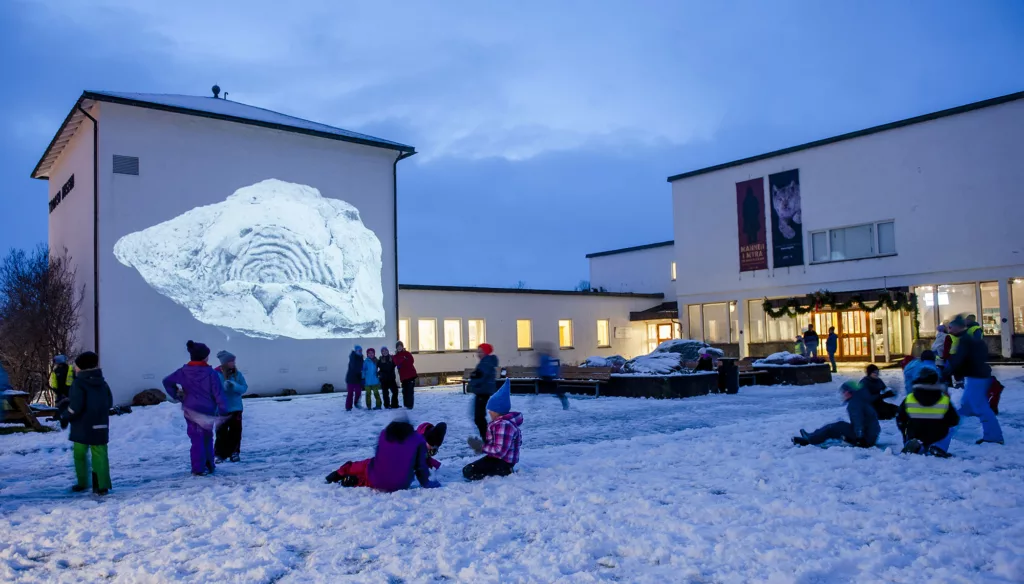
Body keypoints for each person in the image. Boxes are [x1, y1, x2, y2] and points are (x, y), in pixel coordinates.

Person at [325, 414, 441, 492]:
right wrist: (428, 481)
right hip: (401, 484)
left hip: (377, 478)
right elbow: (421, 467)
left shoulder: (385, 435)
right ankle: (356, 481)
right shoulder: (417, 440)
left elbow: (380, 456)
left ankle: (342, 474)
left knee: (368, 466)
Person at [163, 340, 229, 476]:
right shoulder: (211, 373)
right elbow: (218, 393)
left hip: (190, 410)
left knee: (196, 438)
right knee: (207, 437)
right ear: (204, 357)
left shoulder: (183, 372)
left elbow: (167, 381)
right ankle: (209, 464)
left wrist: (177, 394)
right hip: (207, 410)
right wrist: (223, 410)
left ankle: (198, 467)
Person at [945, 314, 1003, 445]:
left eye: (951, 327)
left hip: (976, 377)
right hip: (977, 376)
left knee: (980, 407)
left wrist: (946, 373)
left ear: (958, 327)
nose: (949, 330)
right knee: (966, 407)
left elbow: (959, 360)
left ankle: (994, 436)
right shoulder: (970, 339)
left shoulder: (966, 340)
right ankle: (946, 434)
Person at [60, 352, 113, 495]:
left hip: (82, 427)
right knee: (100, 454)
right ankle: (101, 485)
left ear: (81, 367)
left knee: (79, 454)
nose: (75, 368)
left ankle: (82, 483)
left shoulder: (79, 383)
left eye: (76, 365)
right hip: (100, 425)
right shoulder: (103, 382)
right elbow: (109, 402)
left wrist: (65, 416)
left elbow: (75, 407)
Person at [792, 380, 880, 448]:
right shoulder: (860, 400)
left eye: (844, 391)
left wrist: (860, 438)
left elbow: (858, 421)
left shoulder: (855, 404)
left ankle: (810, 439)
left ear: (850, 392)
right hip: (870, 436)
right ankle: (813, 435)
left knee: (833, 428)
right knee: (838, 425)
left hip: (865, 438)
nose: (843, 394)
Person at [464, 380, 523, 481]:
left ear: (497, 411)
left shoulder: (504, 425)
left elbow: (499, 451)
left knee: (469, 471)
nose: (489, 412)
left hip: (502, 462)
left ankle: (503, 472)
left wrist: (481, 447)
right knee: (468, 469)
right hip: (498, 459)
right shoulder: (501, 423)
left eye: (491, 409)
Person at [898, 375, 959, 458]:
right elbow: (954, 420)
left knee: (911, 428)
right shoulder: (944, 400)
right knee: (951, 429)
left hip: (915, 432)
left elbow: (900, 419)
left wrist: (905, 436)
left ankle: (914, 444)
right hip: (938, 433)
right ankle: (938, 446)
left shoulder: (909, 398)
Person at [214, 350, 247, 463]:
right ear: (225, 362)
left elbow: (244, 388)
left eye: (234, 361)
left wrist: (234, 386)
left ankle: (234, 452)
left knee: (235, 432)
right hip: (221, 409)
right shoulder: (215, 374)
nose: (233, 363)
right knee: (221, 432)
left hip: (236, 408)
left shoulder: (237, 374)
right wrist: (223, 388)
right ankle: (219, 454)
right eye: (231, 361)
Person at [468, 343, 499, 439]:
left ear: (486, 352)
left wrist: (473, 379)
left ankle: (487, 439)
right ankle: (487, 438)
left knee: (479, 418)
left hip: (483, 392)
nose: (478, 353)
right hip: (482, 391)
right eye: (478, 351)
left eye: (480, 351)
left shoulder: (486, 363)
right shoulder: (485, 362)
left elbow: (480, 377)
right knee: (479, 417)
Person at [536, 343, 566, 409]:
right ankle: (562, 397)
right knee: (552, 388)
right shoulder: (545, 358)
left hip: (547, 376)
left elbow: (545, 367)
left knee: (553, 388)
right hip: (546, 376)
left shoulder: (544, 358)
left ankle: (562, 397)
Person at [393, 341, 417, 409]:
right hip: (403, 377)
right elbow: (397, 362)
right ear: (396, 348)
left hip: (411, 375)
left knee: (410, 391)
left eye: (400, 346)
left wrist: (402, 360)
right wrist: (403, 359)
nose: (399, 347)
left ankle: (410, 405)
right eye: (398, 346)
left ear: (402, 346)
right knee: (405, 391)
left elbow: (411, 361)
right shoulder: (396, 356)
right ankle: (406, 405)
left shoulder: (407, 353)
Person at [345, 345, 364, 411]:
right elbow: (355, 367)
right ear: (355, 351)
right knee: (350, 393)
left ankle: (356, 403)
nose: (360, 352)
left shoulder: (361, 357)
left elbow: (361, 368)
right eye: (359, 350)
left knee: (358, 392)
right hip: (351, 379)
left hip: (358, 379)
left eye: (361, 350)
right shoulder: (353, 357)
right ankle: (348, 407)